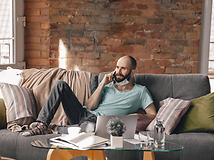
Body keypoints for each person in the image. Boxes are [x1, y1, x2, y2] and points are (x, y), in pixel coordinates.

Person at [22, 55, 157, 136]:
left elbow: (152, 114)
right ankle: (42, 124)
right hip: (84, 114)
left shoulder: (140, 91)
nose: (118, 71)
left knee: (90, 129)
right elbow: (90, 106)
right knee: (60, 84)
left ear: (132, 71)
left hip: (99, 124)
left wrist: (139, 116)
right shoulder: (108, 85)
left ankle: (55, 128)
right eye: (117, 67)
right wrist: (102, 84)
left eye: (123, 68)